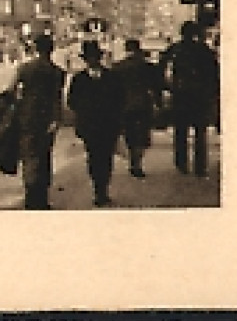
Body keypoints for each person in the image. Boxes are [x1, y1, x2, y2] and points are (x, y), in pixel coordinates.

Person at [66, 40, 125, 206]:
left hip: (108, 124)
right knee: (93, 157)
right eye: (89, 58)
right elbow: (72, 101)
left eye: (95, 57)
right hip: (89, 125)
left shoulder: (112, 77)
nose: (93, 60)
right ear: (86, 60)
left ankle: (103, 189)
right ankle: (97, 187)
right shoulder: (79, 79)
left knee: (106, 157)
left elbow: (120, 99)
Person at [12, 33, 66, 210]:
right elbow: (57, 99)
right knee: (44, 157)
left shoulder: (24, 69)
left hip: (26, 118)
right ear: (51, 50)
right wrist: (56, 119)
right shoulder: (57, 72)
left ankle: (30, 196)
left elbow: (11, 91)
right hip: (46, 120)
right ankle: (42, 198)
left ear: (36, 49)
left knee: (29, 157)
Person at [161, 21, 220, 176]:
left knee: (181, 131)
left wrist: (168, 87)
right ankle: (200, 166)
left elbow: (163, 68)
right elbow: (214, 73)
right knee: (200, 132)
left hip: (181, 95)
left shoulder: (175, 49)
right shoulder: (203, 50)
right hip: (199, 96)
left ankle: (182, 164)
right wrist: (212, 92)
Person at [114, 38, 162, 178]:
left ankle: (133, 158)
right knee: (142, 133)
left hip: (124, 105)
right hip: (143, 104)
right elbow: (156, 86)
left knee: (129, 133)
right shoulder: (148, 67)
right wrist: (158, 103)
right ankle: (137, 162)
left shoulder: (118, 67)